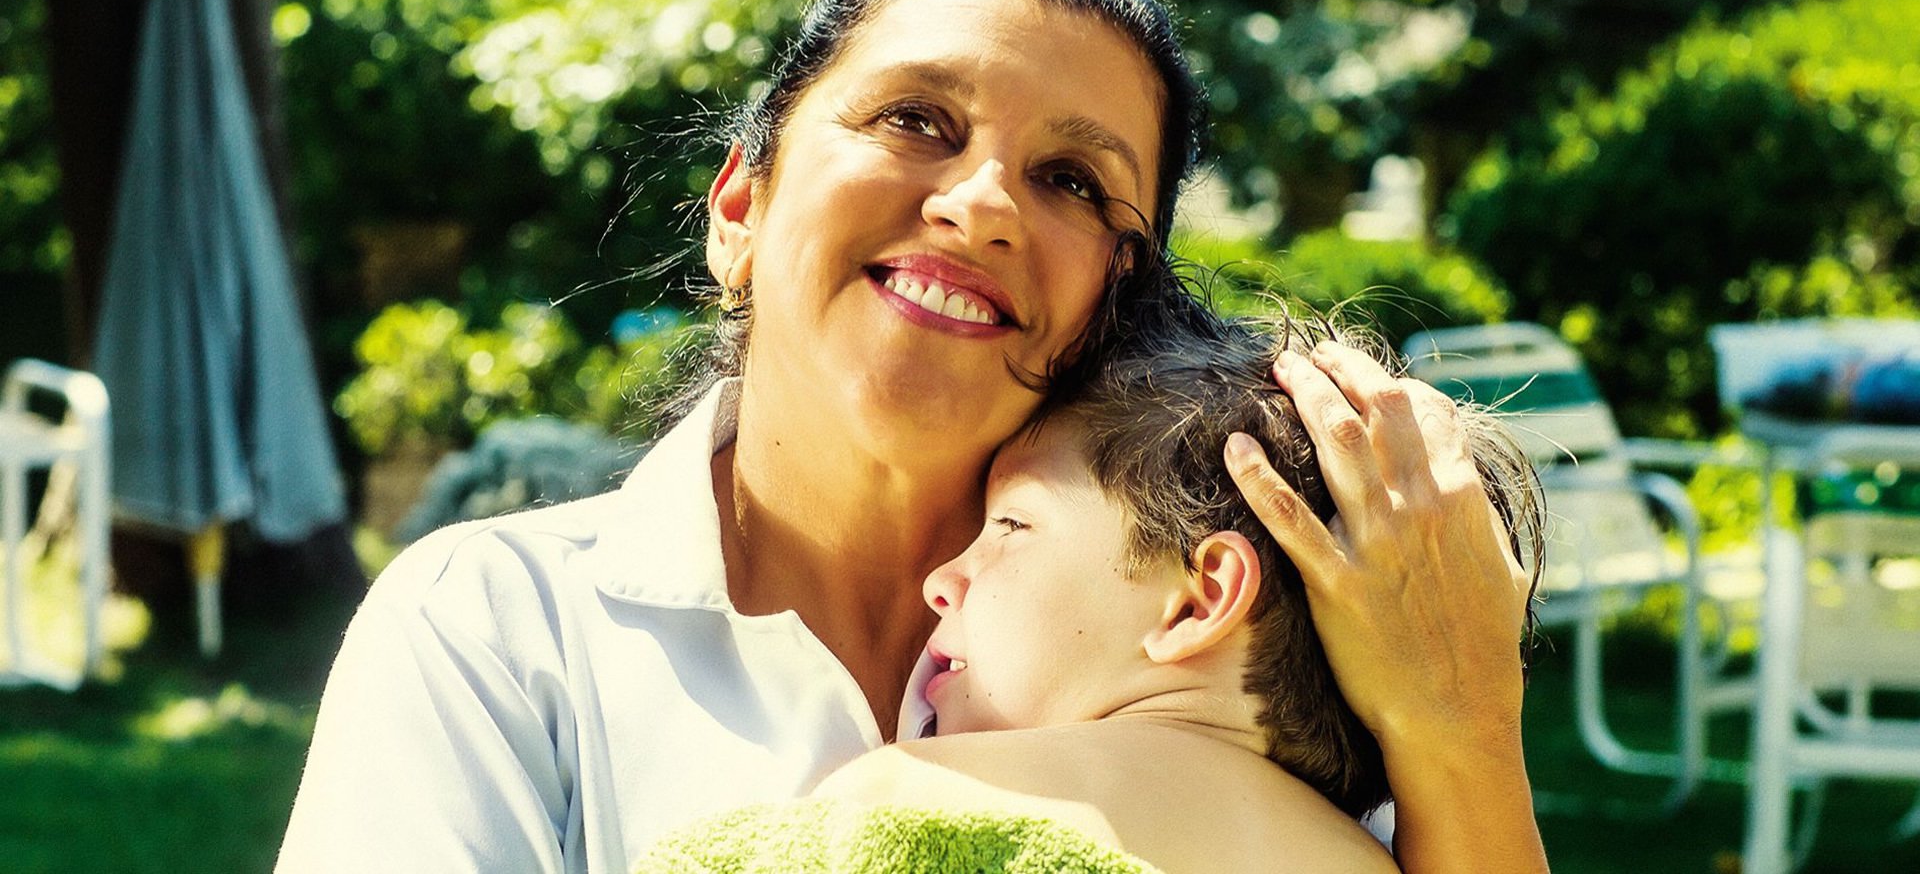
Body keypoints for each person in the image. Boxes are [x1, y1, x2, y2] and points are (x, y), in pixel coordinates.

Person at [278, 0, 1547, 874]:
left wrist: (1468, 745)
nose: (985, 203)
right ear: (740, 207)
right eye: (915, 118)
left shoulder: (1279, 636)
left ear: (1126, 291)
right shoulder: (497, 628)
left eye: (1070, 179)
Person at [631, 294, 1544, 873]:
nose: (945, 580)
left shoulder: (917, 799)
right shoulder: (1400, 861)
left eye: (1012, 527)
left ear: (1198, 598)